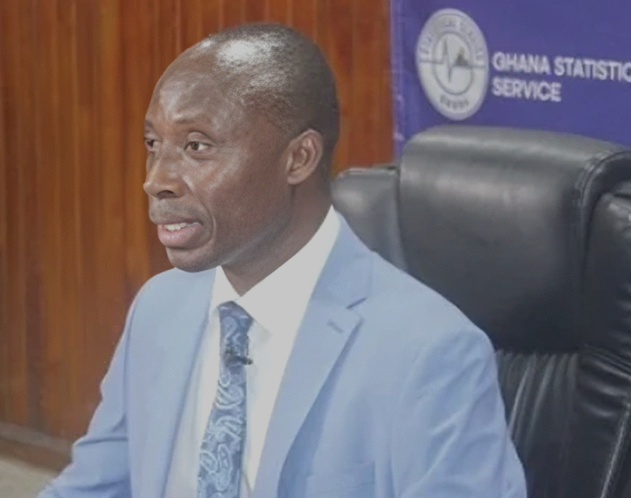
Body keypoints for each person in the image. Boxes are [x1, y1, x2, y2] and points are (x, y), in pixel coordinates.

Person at [37, 23, 526, 498]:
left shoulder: (429, 351)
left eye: (196, 146)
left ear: (299, 158)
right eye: (153, 145)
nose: (157, 179)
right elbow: (96, 485)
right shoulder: (159, 307)